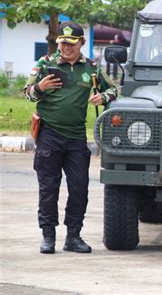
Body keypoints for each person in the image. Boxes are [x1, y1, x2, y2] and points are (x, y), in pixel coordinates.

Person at [23, 21, 119, 254]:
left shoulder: (92, 68)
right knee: (49, 188)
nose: (65, 48)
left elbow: (114, 89)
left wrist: (103, 97)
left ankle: (73, 236)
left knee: (79, 189)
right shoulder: (45, 64)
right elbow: (27, 93)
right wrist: (40, 88)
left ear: (82, 43)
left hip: (76, 138)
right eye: (62, 43)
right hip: (49, 135)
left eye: (71, 44)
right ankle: (48, 236)